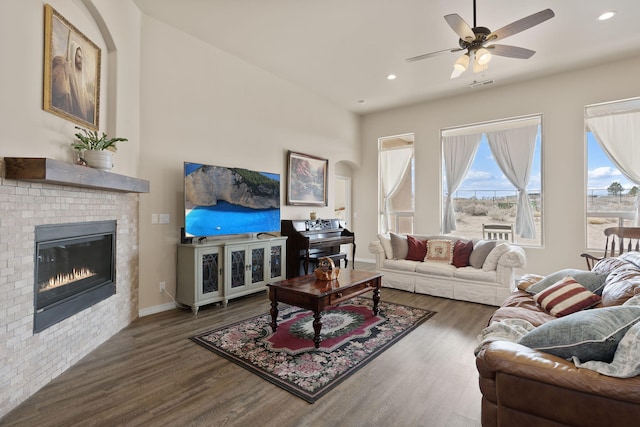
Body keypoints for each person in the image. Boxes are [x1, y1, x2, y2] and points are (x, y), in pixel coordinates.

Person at [51, 42, 94, 123]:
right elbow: (58, 92)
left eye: (81, 57)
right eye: (78, 57)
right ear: (72, 55)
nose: (80, 61)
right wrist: (65, 74)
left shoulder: (81, 82)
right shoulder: (61, 68)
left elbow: (86, 104)